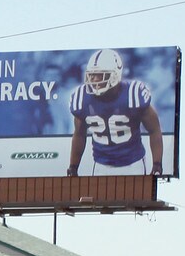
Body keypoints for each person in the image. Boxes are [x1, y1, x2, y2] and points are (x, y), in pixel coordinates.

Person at [66, 49, 163, 177]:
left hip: (132, 164)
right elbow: (79, 134)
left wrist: (157, 163)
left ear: (114, 75)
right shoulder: (82, 99)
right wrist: (73, 167)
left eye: (100, 75)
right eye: (91, 75)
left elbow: (154, 129)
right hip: (101, 165)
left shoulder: (132, 95)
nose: (94, 79)